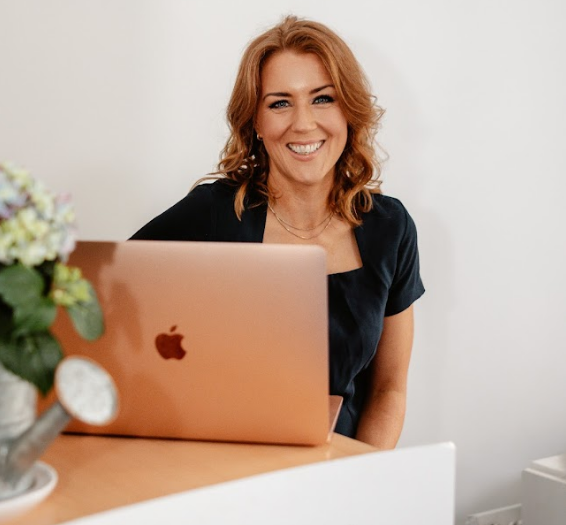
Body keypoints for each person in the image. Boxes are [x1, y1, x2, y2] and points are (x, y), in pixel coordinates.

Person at [131, 15, 424, 449]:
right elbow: (108, 298)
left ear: (348, 109)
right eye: (280, 103)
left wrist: (363, 474)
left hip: (341, 465)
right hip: (226, 466)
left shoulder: (390, 227)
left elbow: (389, 390)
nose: (303, 123)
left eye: (322, 98)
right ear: (255, 121)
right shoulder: (213, 215)